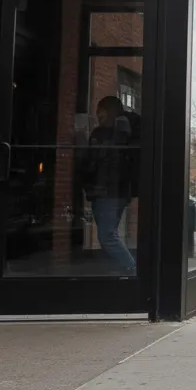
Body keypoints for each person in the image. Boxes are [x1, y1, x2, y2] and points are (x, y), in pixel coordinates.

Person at [79, 96, 140, 275]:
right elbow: (92, 162)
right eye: (97, 111)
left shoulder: (123, 132)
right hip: (100, 191)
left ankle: (131, 269)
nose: (98, 114)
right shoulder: (98, 133)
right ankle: (126, 269)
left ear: (113, 111)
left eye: (102, 110)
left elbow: (116, 163)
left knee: (107, 236)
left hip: (113, 191)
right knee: (107, 234)